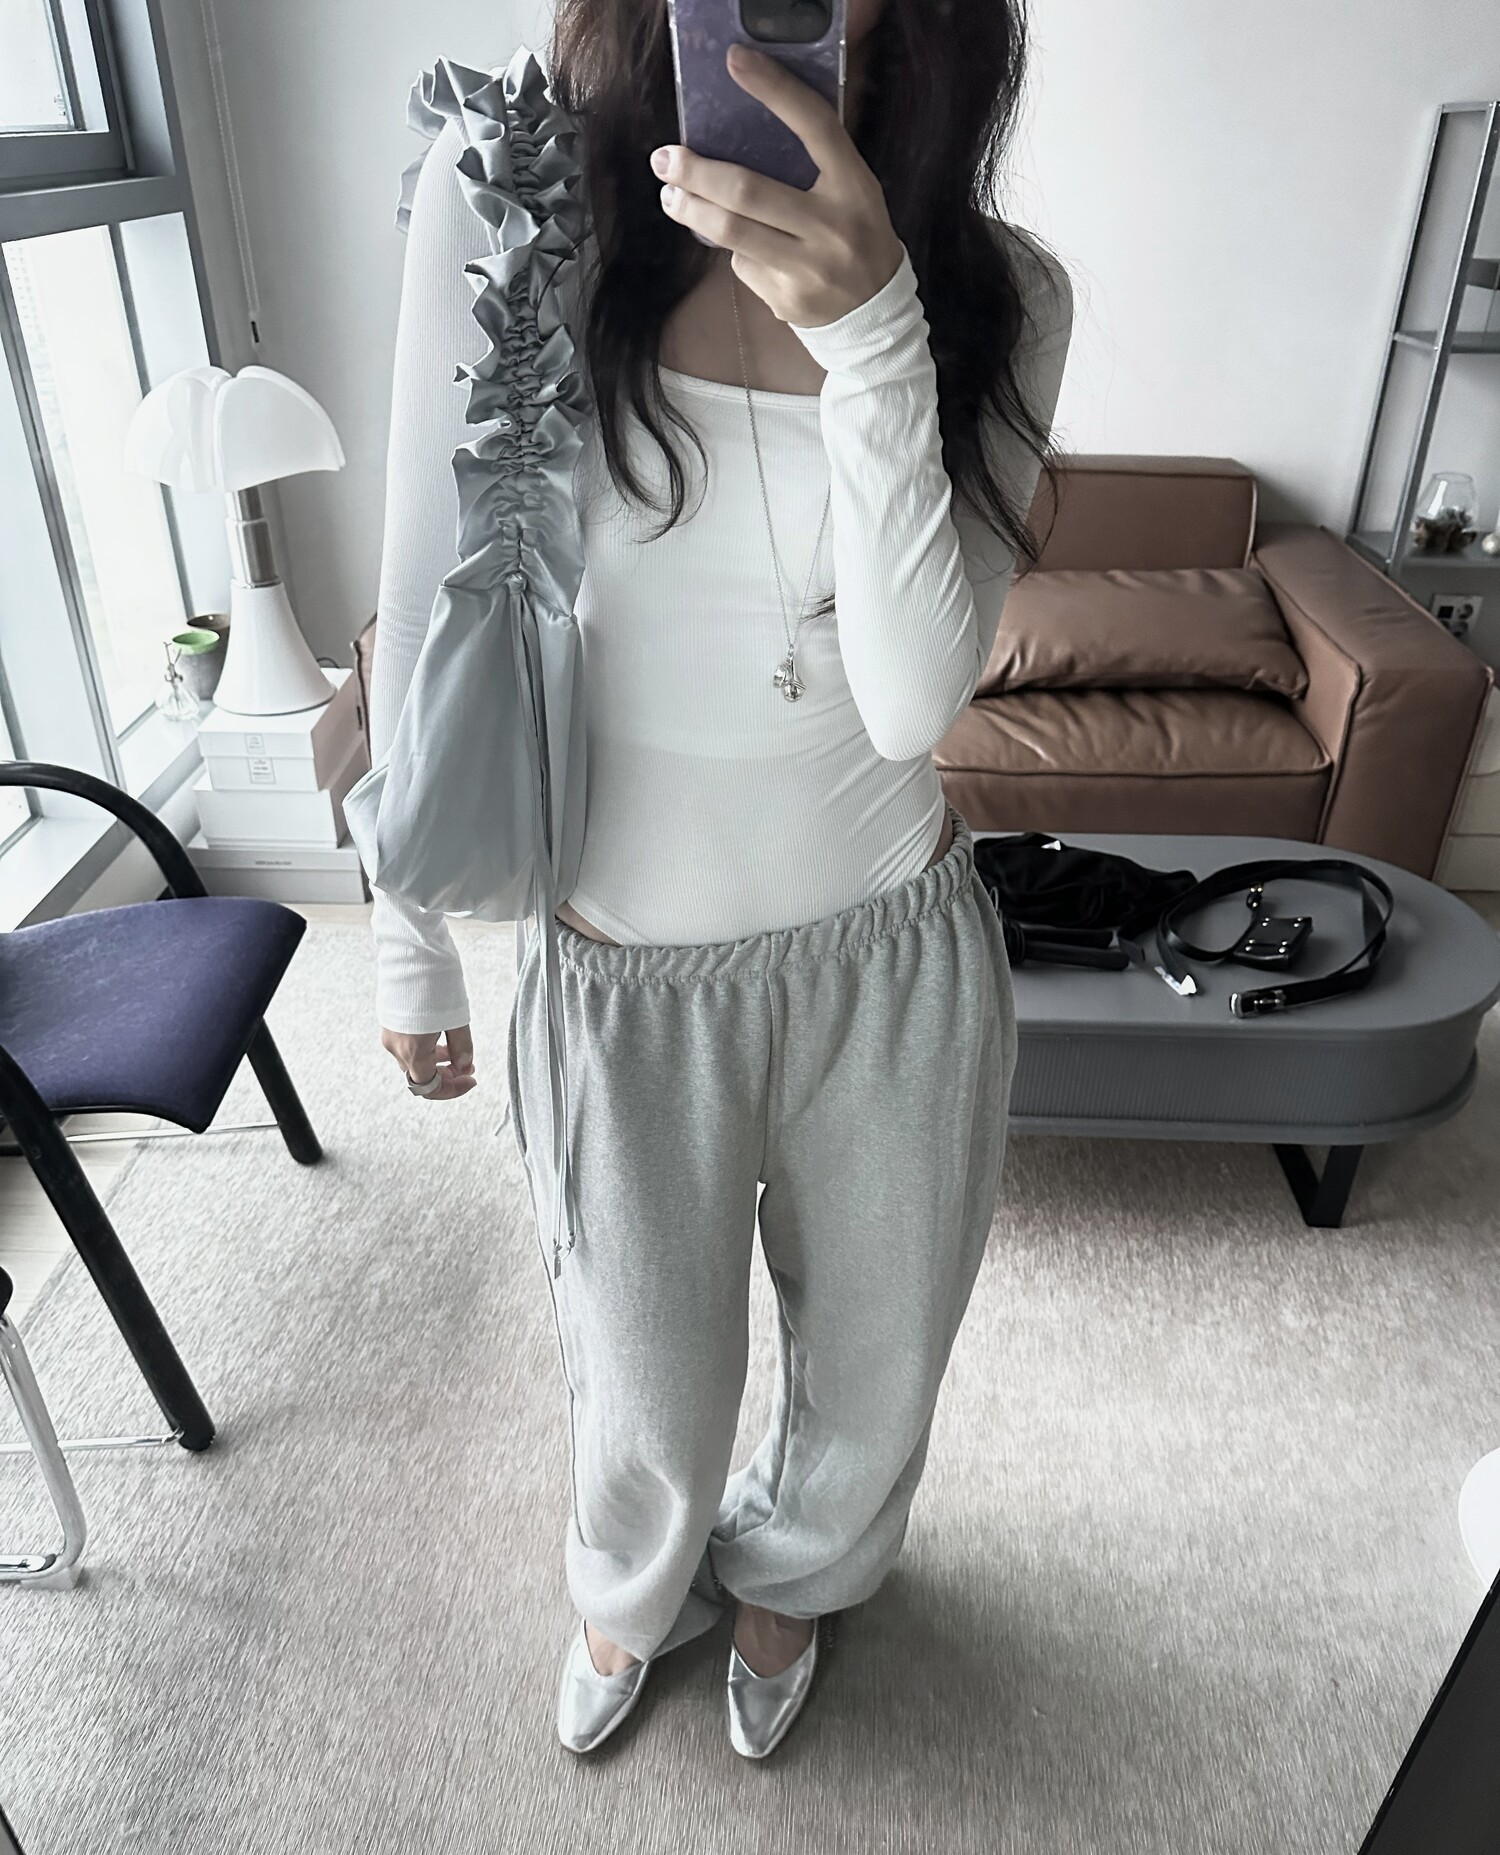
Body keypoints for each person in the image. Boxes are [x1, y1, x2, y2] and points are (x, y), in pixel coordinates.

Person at [368, 0, 1073, 1760]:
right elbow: (424, 597)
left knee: (881, 1359)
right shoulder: (514, 198)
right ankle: (631, 1587)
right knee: (644, 1376)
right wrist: (406, 942)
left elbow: (912, 704)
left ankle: (799, 1576)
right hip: (617, 971)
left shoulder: (999, 295)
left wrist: (877, 337)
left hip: (890, 960)